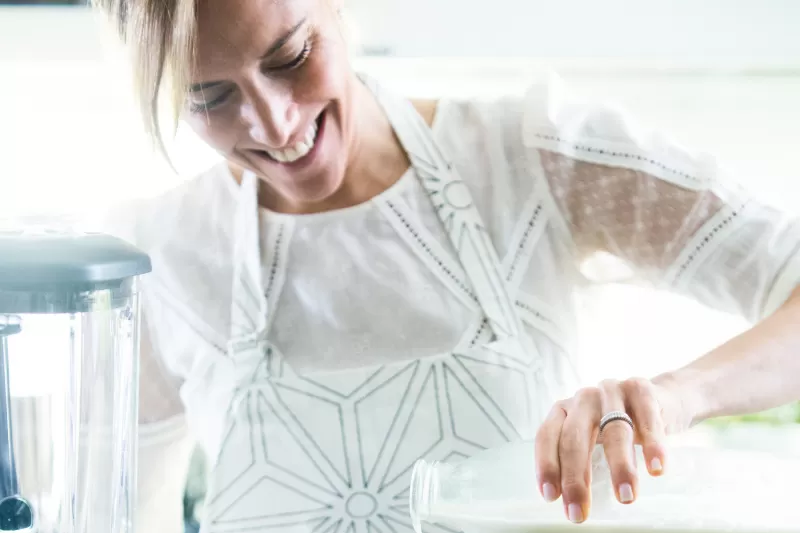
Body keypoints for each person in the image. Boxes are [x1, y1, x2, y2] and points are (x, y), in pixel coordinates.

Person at [89, 0, 800, 531]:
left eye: (292, 57)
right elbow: (113, 518)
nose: (274, 125)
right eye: (210, 98)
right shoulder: (157, 256)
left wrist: (674, 397)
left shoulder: (529, 157)